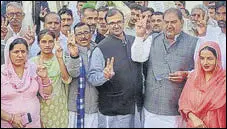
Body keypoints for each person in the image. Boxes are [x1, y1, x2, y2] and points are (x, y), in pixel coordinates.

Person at [132, 8, 198, 128]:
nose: (169, 25)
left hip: (177, 110)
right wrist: (139, 36)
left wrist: (187, 74)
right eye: (166, 22)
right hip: (152, 108)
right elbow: (138, 57)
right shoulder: (153, 39)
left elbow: (202, 71)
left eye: (173, 22)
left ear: (182, 23)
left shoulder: (194, 42)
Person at [88, 8, 143, 128]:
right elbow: (92, 77)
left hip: (135, 106)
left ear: (124, 22)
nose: (116, 26)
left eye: (119, 22)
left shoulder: (134, 41)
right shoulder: (100, 48)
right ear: (107, 25)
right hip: (113, 109)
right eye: (112, 23)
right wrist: (104, 76)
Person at [1, 37, 52, 128]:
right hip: (7, 124)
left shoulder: (33, 69)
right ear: (8, 53)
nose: (20, 55)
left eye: (23, 52)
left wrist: (45, 78)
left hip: (33, 123)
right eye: (16, 52)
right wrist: (11, 118)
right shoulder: (2, 73)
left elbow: (47, 93)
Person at [179, 41, 226, 128]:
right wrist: (195, 120)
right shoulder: (193, 78)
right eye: (202, 58)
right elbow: (184, 104)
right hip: (195, 125)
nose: (205, 62)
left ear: (217, 59)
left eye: (210, 58)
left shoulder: (223, 79)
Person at [30, 29, 71, 128]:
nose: (47, 45)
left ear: (54, 42)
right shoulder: (32, 62)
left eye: (50, 41)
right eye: (44, 42)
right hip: (41, 106)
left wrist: (60, 58)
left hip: (59, 105)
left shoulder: (61, 58)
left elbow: (67, 80)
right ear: (38, 44)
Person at [66, 22, 98, 128]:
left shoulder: (98, 50)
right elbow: (73, 73)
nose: (83, 37)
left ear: (91, 33)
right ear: (74, 36)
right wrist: (74, 56)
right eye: (79, 34)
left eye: (86, 32)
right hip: (75, 104)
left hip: (93, 102)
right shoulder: (69, 50)